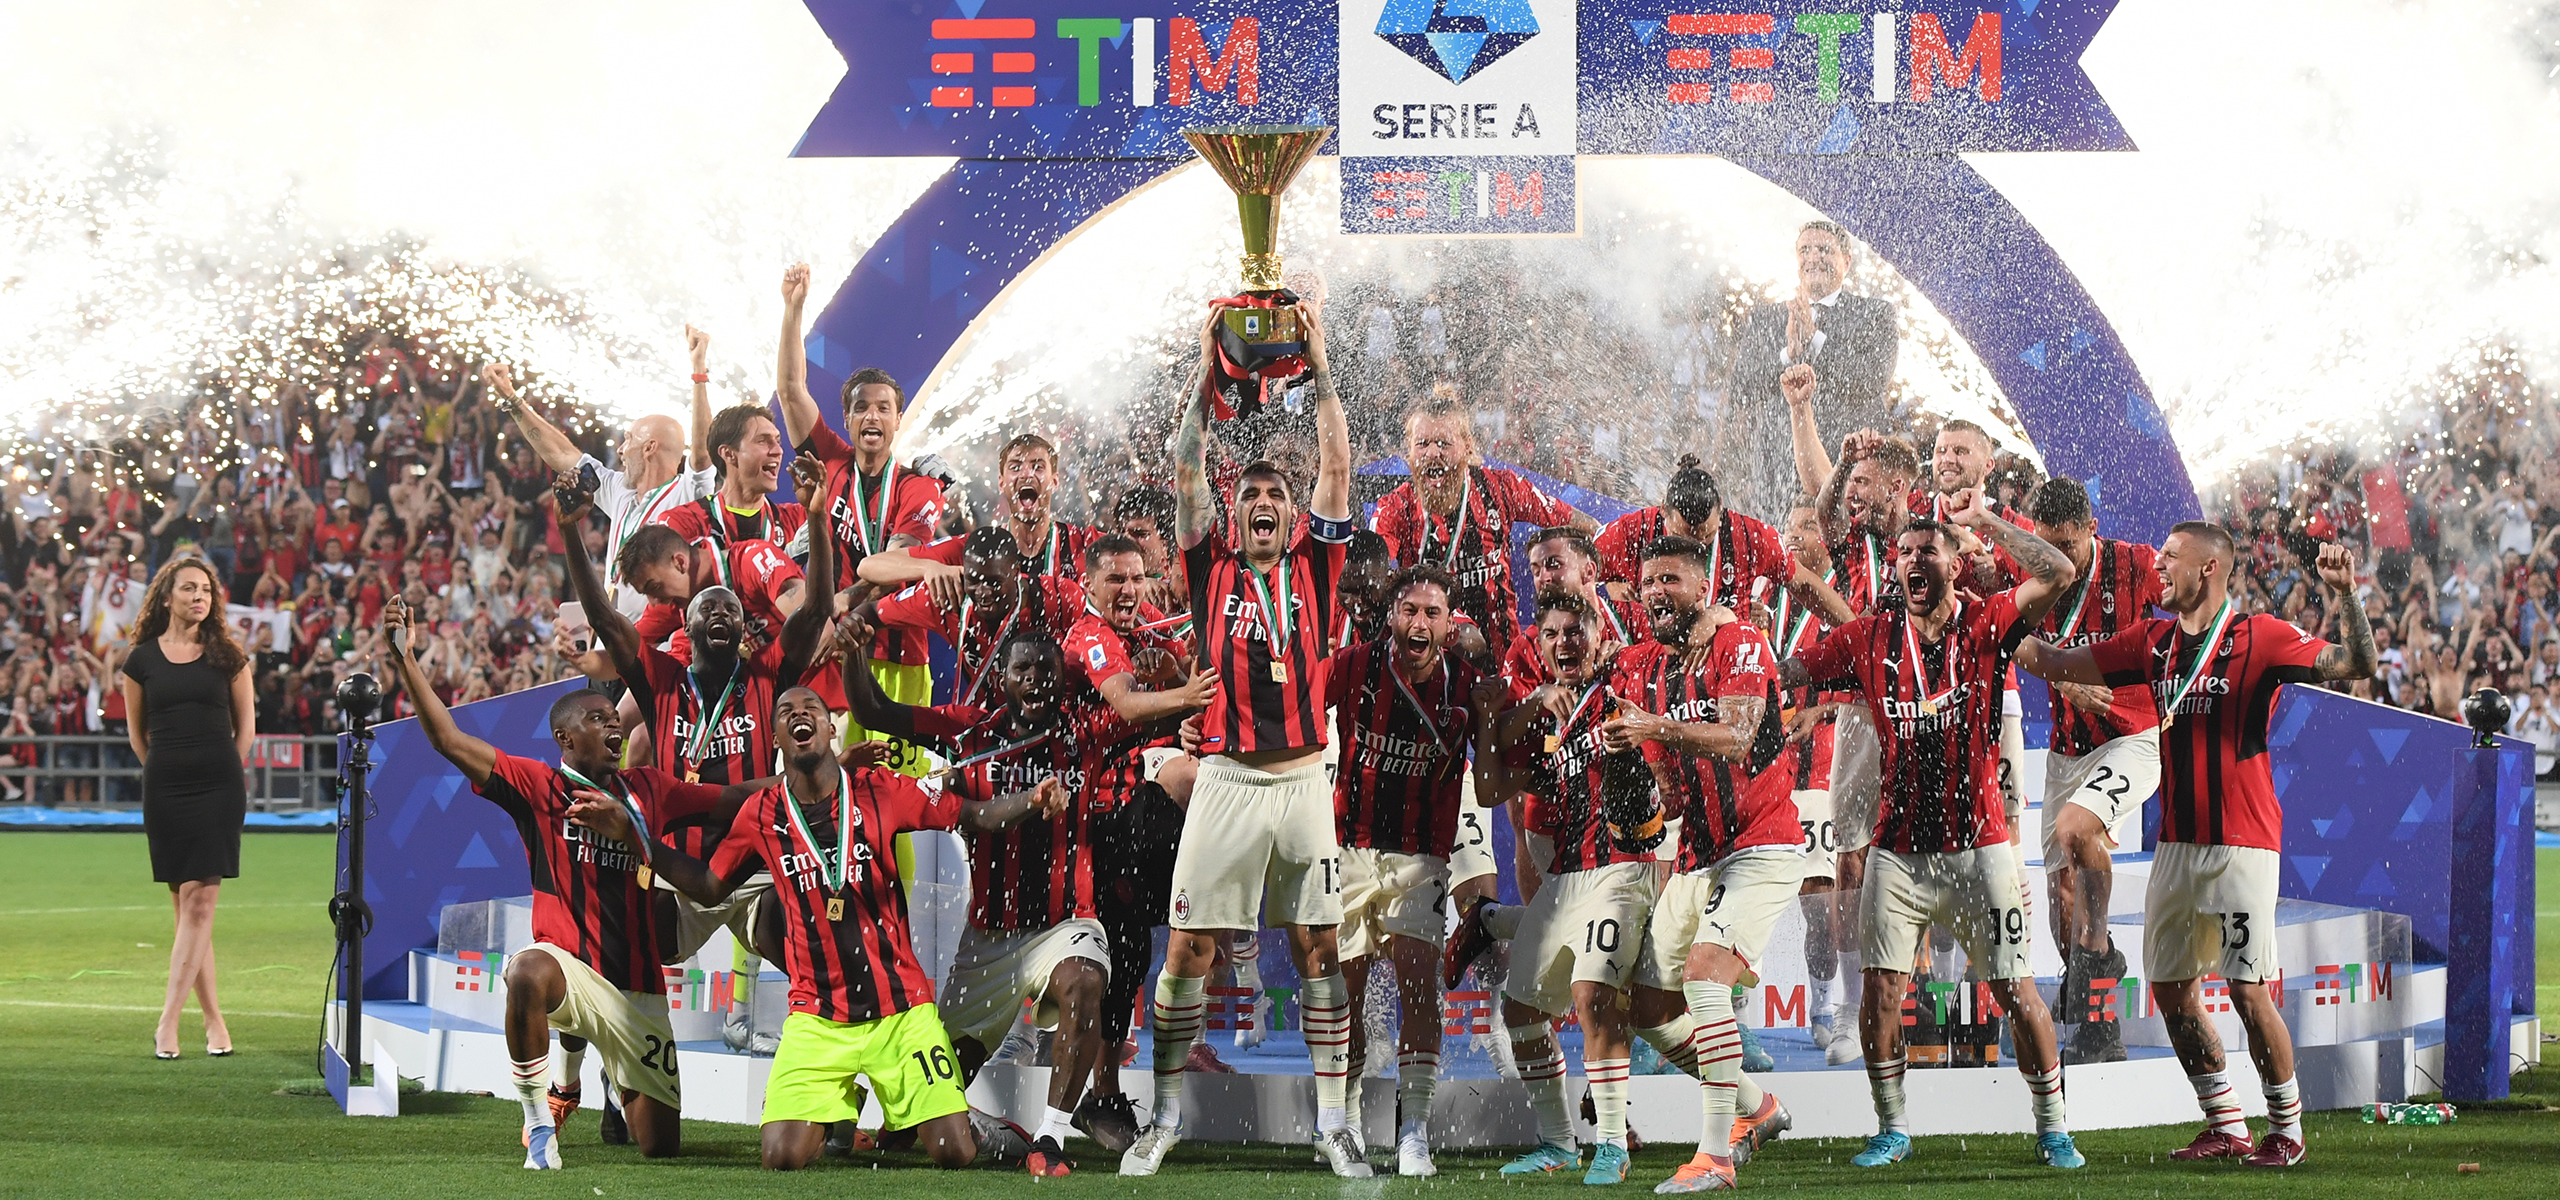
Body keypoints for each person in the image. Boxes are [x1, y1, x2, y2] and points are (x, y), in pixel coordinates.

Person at [2015, 526, 2377, 1169]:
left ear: (2208, 568)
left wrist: (2346, 594)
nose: (2156, 564)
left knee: (2248, 990)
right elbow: (2057, 663)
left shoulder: (2261, 637)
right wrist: (1998, 623)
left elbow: (2355, 665)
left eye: (2170, 557)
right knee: (2171, 989)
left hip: (2242, 844)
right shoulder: (2150, 643)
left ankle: (2287, 1128)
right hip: (2177, 848)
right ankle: (2226, 1123)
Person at [582, 686, 1055, 1171]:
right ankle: (840, 1105)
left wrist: (1031, 798)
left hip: (901, 1012)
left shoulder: (879, 789)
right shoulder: (761, 813)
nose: (799, 714)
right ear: (776, 738)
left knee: (953, 1152)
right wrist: (637, 838)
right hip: (817, 1019)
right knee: (780, 1157)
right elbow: (708, 887)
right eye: (786, 711)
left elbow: (972, 815)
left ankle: (984, 1131)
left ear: (830, 729)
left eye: (811, 708)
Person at [1121, 303, 1362, 1178]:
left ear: (1294, 515)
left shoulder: (1318, 568)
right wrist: (1203, 367)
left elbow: (1336, 462)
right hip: (1224, 781)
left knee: (1318, 952)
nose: (1264, 502)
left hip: (1303, 784)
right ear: (1232, 513)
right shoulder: (1207, 570)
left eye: (1276, 496)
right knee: (1190, 950)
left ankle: (1332, 1125)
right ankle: (1164, 1118)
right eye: (1250, 495)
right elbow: (1186, 464)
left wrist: (1321, 362)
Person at [382, 596, 751, 1166]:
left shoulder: (650, 788)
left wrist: (821, 775)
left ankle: (598, 1078)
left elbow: (731, 798)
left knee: (661, 1147)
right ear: (565, 739)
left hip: (638, 990)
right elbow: (449, 741)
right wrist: (407, 661)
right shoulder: (539, 788)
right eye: (598, 719)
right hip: (571, 973)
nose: (614, 725)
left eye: (614, 719)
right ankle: (539, 1125)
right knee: (526, 970)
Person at [1779, 493, 2086, 1171]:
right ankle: (1892, 1128)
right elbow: (1793, 671)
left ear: (1954, 563)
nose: (1915, 561)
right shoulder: (1869, 638)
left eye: (1929, 551)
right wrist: (1748, 676)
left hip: (1980, 850)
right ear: (1895, 568)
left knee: (2016, 991)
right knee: (1881, 994)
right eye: (1905, 553)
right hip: (1898, 854)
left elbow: (2061, 572)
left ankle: (2054, 1126)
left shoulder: (1987, 622)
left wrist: (1987, 523)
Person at [842, 624, 1128, 1177]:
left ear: (1062, 680)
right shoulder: (969, 731)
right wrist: (855, 651)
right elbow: (874, 709)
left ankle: (1051, 1137)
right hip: (989, 938)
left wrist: (1184, 688)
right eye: (1023, 670)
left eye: (1047, 670)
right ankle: (1000, 1136)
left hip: (1064, 922)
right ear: (1002, 679)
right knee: (916, 1125)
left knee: (1085, 981)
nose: (1036, 680)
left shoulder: (1085, 731)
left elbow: (1145, 713)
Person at [559, 468, 832, 966]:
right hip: (679, 870)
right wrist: (569, 529)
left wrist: (815, 518)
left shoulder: (767, 675)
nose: (721, 615)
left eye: (731, 611)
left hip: (752, 866)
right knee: (626, 947)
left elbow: (813, 613)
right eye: (708, 610)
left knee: (797, 943)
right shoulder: (661, 681)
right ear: (685, 626)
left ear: (744, 630)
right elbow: (603, 618)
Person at [1324, 564, 1503, 1177]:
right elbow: (1294, 714)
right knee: (1342, 993)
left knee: (1419, 980)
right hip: (1349, 850)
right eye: (1409, 611)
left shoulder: (1468, 686)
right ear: (1391, 618)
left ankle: (1414, 1132)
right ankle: (1344, 1119)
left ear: (1450, 626)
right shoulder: (1353, 666)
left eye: (1432, 613)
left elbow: (1494, 784)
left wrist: (1501, 720)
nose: (1419, 622)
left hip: (1422, 855)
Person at [1478, 592, 1662, 1186]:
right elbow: (1489, 788)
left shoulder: (1622, 689)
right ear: (1540, 646)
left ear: (1598, 635)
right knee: (1520, 1008)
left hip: (1622, 869)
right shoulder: (1546, 716)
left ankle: (1612, 1143)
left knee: (1593, 995)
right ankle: (1558, 1141)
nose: (1564, 643)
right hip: (1565, 878)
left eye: (1575, 632)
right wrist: (1521, 708)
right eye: (1552, 635)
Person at [2017, 477, 2164, 1065]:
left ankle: (2099, 952)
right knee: (2061, 897)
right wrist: (2064, 681)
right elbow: (2010, 640)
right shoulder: (2032, 572)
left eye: (2067, 546)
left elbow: (2196, 604)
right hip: (2067, 748)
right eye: (2045, 546)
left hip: (2132, 737)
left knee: (2076, 831)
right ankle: (2101, 1023)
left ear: (2092, 530)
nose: (2057, 560)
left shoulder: (2136, 565)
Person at [776, 262, 948, 752]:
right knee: (834, 776)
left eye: (883, 408)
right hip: (836, 652)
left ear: (897, 420)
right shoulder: (830, 461)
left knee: (899, 785)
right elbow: (790, 391)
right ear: (847, 420)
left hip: (898, 656)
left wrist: (838, 605)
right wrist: (793, 310)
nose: (872, 415)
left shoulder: (918, 488)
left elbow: (893, 568)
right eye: (861, 408)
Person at [119, 556, 253, 1060]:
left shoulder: (229, 656)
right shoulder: (140, 661)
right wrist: (167, 769)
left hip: (219, 788)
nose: (199, 597)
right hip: (166, 790)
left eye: (206, 590)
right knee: (186, 912)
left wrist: (223, 771)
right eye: (189, 588)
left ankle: (167, 1022)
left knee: (201, 905)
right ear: (166, 596)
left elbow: (246, 731)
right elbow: (138, 735)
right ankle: (214, 1020)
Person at [482, 341, 716, 620]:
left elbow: (703, 453)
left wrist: (699, 373)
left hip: (664, 640)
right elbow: (561, 453)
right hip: (615, 636)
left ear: (650, 447)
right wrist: (511, 398)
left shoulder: (688, 493)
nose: (621, 450)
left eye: (628, 439)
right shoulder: (620, 491)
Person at [1372, 395, 1597, 659]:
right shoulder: (1395, 507)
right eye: (1422, 444)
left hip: (1502, 661)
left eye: (1443, 443)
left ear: (1467, 446)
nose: (1432, 453)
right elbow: (1371, 572)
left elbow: (1580, 523)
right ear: (1409, 452)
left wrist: (1608, 573)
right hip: (1427, 662)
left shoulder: (1501, 488)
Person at [1728, 221, 1899, 519]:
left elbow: (1872, 379)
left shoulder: (1876, 313)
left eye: (1824, 249)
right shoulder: (1767, 318)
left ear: (1847, 261)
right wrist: (1788, 354)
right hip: (1780, 470)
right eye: (1805, 250)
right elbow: (1742, 388)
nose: (1813, 257)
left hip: (1851, 470)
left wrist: (1816, 341)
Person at [1592, 458, 1793, 611]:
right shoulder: (1634, 531)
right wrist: (1609, 588)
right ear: (1664, 510)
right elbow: (1578, 572)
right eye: (1682, 539)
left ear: (1721, 507)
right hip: (1650, 650)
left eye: (1706, 537)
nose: (1695, 549)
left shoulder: (1751, 537)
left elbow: (1805, 584)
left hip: (1722, 651)